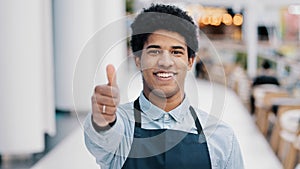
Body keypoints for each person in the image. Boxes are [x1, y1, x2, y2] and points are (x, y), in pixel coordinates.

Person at [84, 4, 244, 169]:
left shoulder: (221, 137)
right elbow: (101, 139)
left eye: (176, 52)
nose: (165, 62)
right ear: (138, 59)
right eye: (154, 51)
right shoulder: (122, 127)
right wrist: (103, 121)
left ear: (190, 61)